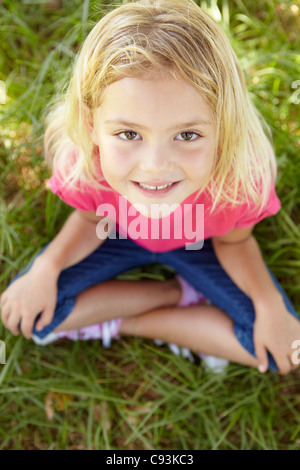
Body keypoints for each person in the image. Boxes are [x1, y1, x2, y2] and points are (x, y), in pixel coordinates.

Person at [1, 0, 299, 375]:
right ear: (93, 125)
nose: (155, 166)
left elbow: (234, 242)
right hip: (115, 234)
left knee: (284, 351)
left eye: (187, 134)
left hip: (200, 246)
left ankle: (125, 323)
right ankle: (178, 295)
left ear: (224, 127)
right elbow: (92, 219)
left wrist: (268, 303)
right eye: (129, 134)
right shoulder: (87, 163)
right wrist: (47, 267)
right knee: (34, 315)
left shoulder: (238, 180)